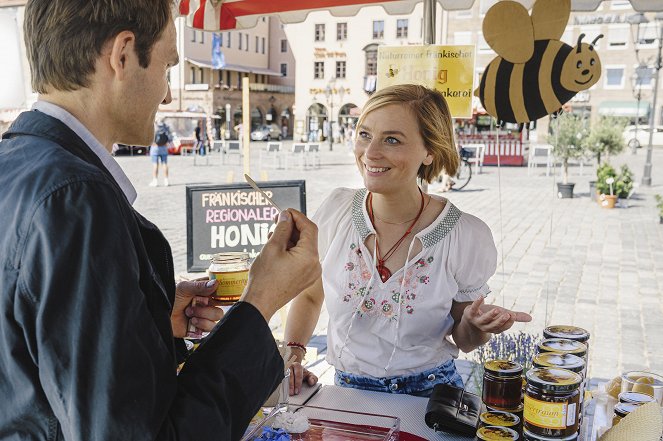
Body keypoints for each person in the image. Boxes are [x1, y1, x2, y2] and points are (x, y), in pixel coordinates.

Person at [0, 1, 321, 440]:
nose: (167, 94)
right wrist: (259, 303)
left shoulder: (15, 163)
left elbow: (33, 363)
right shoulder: (76, 199)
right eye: (168, 66)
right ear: (124, 54)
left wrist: (147, 320)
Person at [284, 84, 531, 397]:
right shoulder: (337, 212)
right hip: (348, 393)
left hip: (429, 398)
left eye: (391, 139)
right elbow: (309, 295)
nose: (370, 153)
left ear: (430, 150)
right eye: (364, 134)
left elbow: (465, 340)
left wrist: (475, 324)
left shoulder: (463, 235)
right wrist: (292, 356)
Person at [150, 121, 171, 186]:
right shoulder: (166, 126)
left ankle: (155, 181)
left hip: (155, 147)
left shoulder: (153, 125)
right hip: (164, 147)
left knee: (155, 164)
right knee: (164, 164)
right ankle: (166, 180)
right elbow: (170, 138)